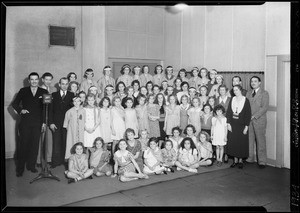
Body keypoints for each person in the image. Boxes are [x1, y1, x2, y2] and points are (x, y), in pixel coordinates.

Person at [11, 72, 48, 176]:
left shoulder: (44, 91)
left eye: (36, 79)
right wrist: (20, 110)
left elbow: (46, 108)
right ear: (29, 81)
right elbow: (14, 104)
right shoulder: (23, 91)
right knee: (23, 146)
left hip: (38, 123)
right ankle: (20, 169)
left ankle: (31, 166)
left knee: (34, 145)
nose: (34, 81)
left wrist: (44, 123)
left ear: (39, 80)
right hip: (25, 123)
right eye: (32, 79)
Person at [49, 77, 75, 169]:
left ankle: (66, 161)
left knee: (66, 142)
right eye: (62, 84)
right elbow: (50, 110)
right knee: (56, 143)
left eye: (66, 84)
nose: (64, 86)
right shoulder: (53, 95)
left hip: (67, 124)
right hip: (56, 123)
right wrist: (51, 122)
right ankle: (56, 162)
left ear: (68, 85)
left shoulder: (72, 95)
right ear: (59, 84)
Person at [246, 76, 269, 168]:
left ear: (259, 83)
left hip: (259, 120)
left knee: (260, 141)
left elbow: (264, 107)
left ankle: (262, 161)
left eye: (255, 81)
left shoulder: (264, 93)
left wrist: (254, 116)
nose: (253, 83)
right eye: (252, 81)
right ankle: (250, 158)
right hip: (249, 121)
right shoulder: (248, 93)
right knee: (249, 140)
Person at [226, 85, 251, 169]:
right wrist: (228, 124)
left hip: (242, 125)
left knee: (241, 143)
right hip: (233, 124)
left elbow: (248, 114)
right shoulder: (232, 99)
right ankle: (235, 160)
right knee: (233, 142)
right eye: (234, 90)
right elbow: (229, 112)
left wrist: (246, 127)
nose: (235, 92)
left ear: (240, 90)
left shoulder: (245, 100)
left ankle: (240, 160)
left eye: (236, 90)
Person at [37, 72, 57, 164]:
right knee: (40, 140)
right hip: (41, 118)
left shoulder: (54, 89)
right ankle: (38, 160)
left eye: (50, 80)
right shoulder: (38, 89)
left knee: (50, 140)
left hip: (51, 118)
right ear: (42, 80)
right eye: (46, 79)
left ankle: (48, 159)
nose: (48, 81)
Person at [63, 96, 85, 160]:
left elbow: (84, 120)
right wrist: (70, 130)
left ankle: (81, 160)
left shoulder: (83, 110)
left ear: (80, 102)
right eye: (75, 101)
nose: (76, 103)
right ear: (72, 102)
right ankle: (72, 160)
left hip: (80, 131)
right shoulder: (69, 111)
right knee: (72, 143)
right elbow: (66, 122)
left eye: (78, 101)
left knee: (80, 144)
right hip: (72, 131)